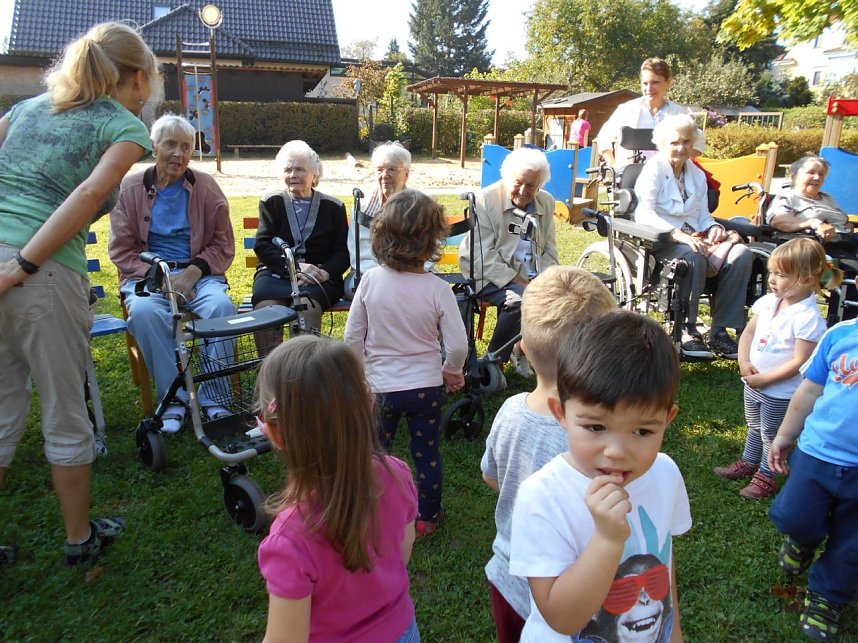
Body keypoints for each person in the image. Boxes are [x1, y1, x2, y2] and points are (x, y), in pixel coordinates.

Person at [0, 22, 161, 565]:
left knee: (0, 408)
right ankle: (78, 539)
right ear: (138, 78)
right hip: (42, 277)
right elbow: (92, 191)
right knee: (66, 407)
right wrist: (22, 263)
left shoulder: (26, 110)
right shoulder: (124, 124)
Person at [508, 309, 689, 642]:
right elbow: (561, 618)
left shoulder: (665, 473)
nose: (617, 451)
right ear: (560, 413)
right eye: (595, 427)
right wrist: (607, 539)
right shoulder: (543, 496)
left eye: (643, 431)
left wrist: (673, 633)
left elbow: (663, 564)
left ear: (668, 420)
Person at [481, 266, 617, 643]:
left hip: (509, 575)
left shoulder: (508, 411)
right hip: (576, 584)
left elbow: (491, 476)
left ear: (521, 345)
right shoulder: (601, 439)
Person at [256, 336, 420, 642]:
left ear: (275, 433)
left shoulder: (289, 540)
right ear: (365, 408)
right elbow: (403, 552)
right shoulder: (397, 474)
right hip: (402, 632)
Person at [345, 189, 467, 536]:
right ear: (433, 242)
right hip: (425, 388)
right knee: (426, 452)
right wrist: (451, 371)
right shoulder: (438, 289)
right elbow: (457, 345)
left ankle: (372, 511)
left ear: (381, 237)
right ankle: (427, 516)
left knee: (375, 453)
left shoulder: (369, 281)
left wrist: (358, 379)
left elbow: (353, 337)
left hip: (380, 389)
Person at [110, 114, 236, 433]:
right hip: (148, 277)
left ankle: (214, 399)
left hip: (199, 274)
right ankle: (175, 401)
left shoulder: (205, 186)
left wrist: (192, 274)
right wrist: (164, 281)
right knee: (144, 313)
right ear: (154, 147)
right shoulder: (130, 188)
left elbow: (223, 243)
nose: (178, 154)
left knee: (221, 308)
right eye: (170, 145)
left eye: (186, 146)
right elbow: (122, 251)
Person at [715, 239, 838, 499]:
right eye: (772, 272)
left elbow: (800, 362)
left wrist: (766, 379)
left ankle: (767, 475)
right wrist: (744, 361)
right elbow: (749, 332)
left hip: (780, 392)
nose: (772, 279)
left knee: (773, 432)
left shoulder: (808, 319)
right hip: (755, 382)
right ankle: (750, 461)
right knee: (755, 425)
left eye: (781, 275)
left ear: (806, 279)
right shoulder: (769, 302)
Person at [768, 317, 858, 642]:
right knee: (795, 516)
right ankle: (802, 539)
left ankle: (828, 596)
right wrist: (784, 435)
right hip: (818, 452)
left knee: (852, 545)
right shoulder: (841, 334)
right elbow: (808, 390)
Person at [635, 113, 753, 360]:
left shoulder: (696, 175)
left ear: (693, 143)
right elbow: (644, 213)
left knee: (742, 253)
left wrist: (712, 228)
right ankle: (688, 329)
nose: (680, 148)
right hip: (661, 242)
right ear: (663, 143)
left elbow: (702, 215)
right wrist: (678, 234)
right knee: (694, 254)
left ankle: (720, 331)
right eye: (674, 142)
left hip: (695, 238)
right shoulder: (653, 170)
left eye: (686, 142)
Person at [458, 146, 559, 379]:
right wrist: (521, 282)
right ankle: (494, 361)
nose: (523, 191)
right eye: (518, 182)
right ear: (507, 177)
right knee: (520, 301)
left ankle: (526, 351)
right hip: (488, 272)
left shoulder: (546, 202)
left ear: (540, 185)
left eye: (531, 185)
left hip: (532, 275)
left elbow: (549, 248)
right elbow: (481, 254)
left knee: (561, 300)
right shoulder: (485, 200)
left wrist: (547, 280)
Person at [252, 140, 348, 348]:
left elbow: (343, 251)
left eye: (300, 169)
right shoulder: (272, 201)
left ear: (315, 175)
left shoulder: (334, 206)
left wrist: (326, 272)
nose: (293, 174)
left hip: (317, 277)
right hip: (276, 273)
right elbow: (263, 245)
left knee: (306, 308)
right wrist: (293, 269)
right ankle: (268, 375)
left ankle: (303, 373)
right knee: (266, 312)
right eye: (288, 169)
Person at [766, 155, 858, 321]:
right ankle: (840, 322)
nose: (816, 177)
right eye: (811, 173)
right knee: (852, 270)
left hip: (844, 241)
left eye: (821, 174)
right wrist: (812, 223)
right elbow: (778, 220)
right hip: (812, 246)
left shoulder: (827, 198)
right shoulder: (788, 197)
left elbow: (842, 220)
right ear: (795, 175)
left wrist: (847, 227)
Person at [597, 57, 703, 173]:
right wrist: (614, 166)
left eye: (655, 82)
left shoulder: (679, 114)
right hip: (629, 179)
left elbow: (698, 143)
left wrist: (678, 161)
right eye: (645, 83)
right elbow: (604, 138)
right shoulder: (626, 110)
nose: (649, 88)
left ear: (668, 82)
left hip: (668, 178)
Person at [344, 141, 411, 298]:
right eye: (379, 170)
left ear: (406, 174)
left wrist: (406, 272)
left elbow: (429, 248)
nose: (384, 175)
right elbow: (359, 251)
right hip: (370, 272)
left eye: (392, 169)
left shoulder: (418, 205)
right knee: (380, 291)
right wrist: (386, 274)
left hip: (411, 271)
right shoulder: (363, 205)